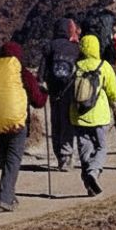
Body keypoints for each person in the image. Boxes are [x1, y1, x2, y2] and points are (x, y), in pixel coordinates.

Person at [0, 41, 46, 212]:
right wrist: (45, 92)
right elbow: (38, 101)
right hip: (17, 123)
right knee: (13, 160)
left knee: (6, 159)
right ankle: (5, 199)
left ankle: (10, 194)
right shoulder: (21, 71)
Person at [71, 35, 116, 197]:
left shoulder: (75, 66)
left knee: (84, 147)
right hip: (99, 115)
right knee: (101, 147)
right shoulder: (104, 66)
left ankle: (88, 181)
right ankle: (93, 172)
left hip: (78, 115)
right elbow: (113, 92)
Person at [82, 11, 116, 153]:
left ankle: (85, 141)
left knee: (86, 102)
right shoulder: (112, 36)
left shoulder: (89, 33)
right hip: (108, 69)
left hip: (88, 70)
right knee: (115, 107)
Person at [38, 17, 81, 171]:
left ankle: (58, 155)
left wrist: (41, 83)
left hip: (53, 89)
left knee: (55, 121)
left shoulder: (50, 46)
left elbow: (42, 69)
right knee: (67, 121)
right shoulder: (75, 48)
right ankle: (66, 155)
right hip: (69, 89)